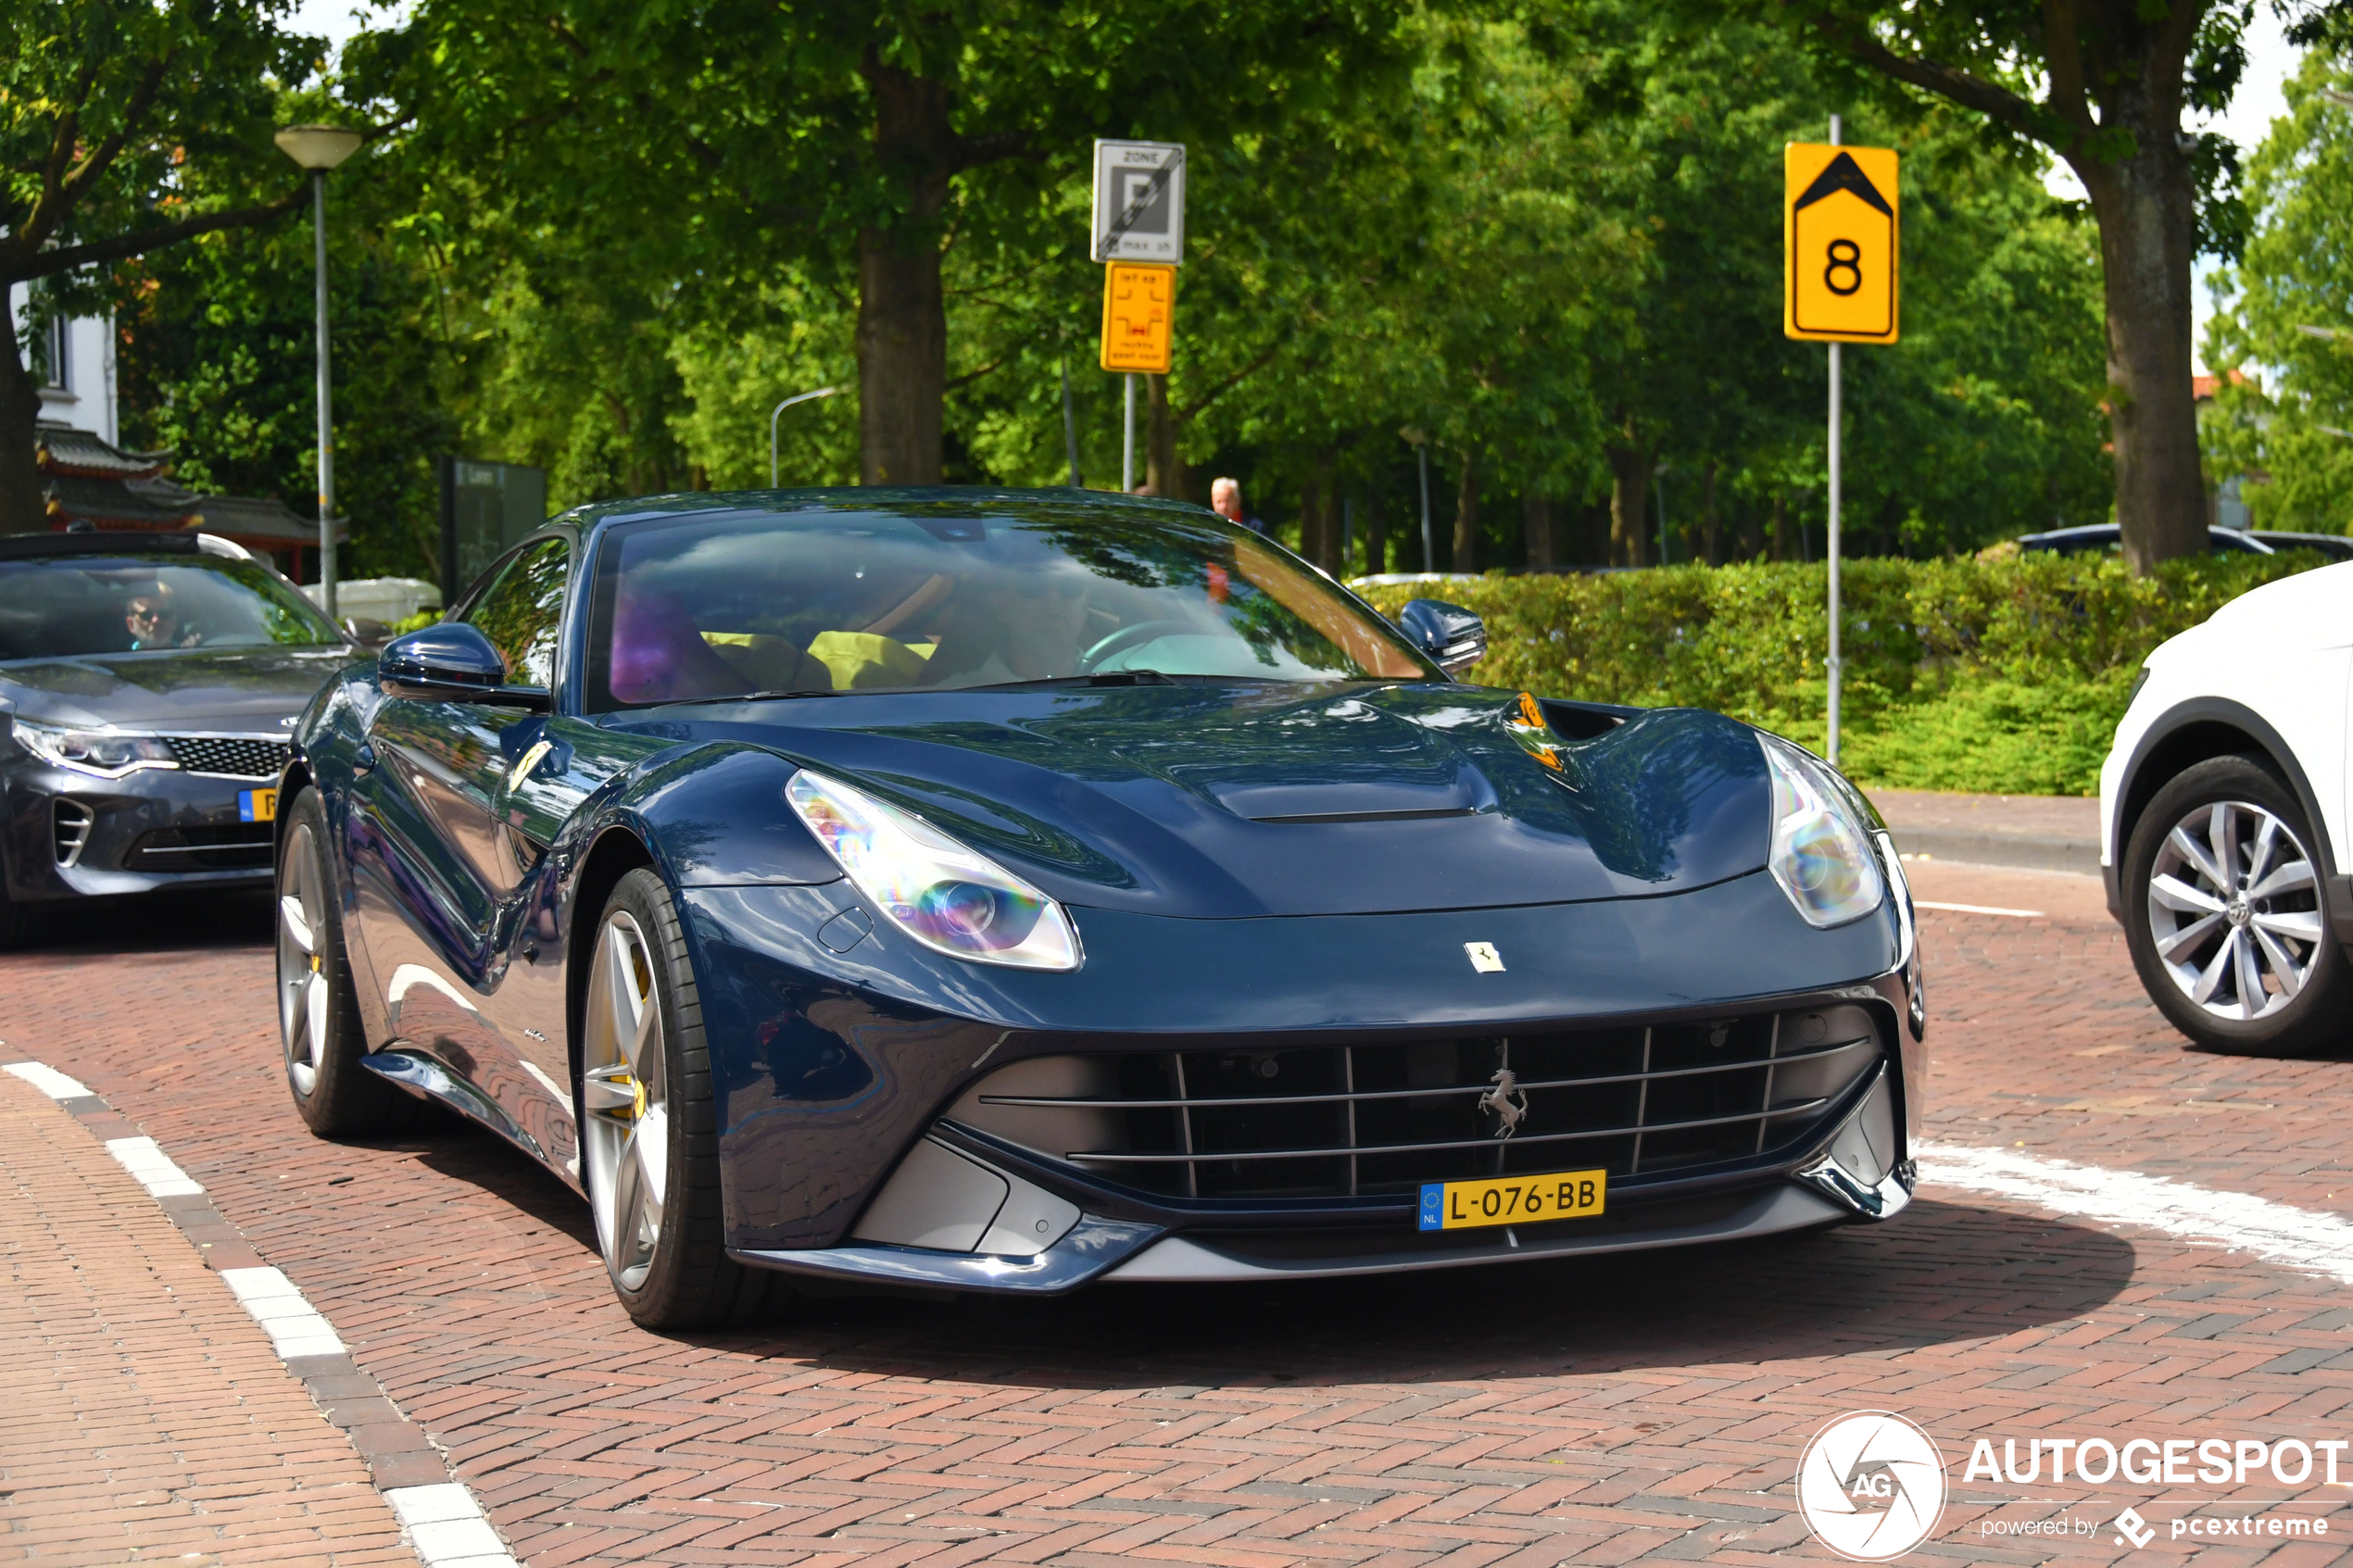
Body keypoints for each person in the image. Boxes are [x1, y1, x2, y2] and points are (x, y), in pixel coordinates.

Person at [125, 589, 198, 651]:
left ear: (174, 621)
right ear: (131, 625)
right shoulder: (120, 659)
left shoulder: (190, 654)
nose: (156, 620)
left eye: (164, 613)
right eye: (147, 615)